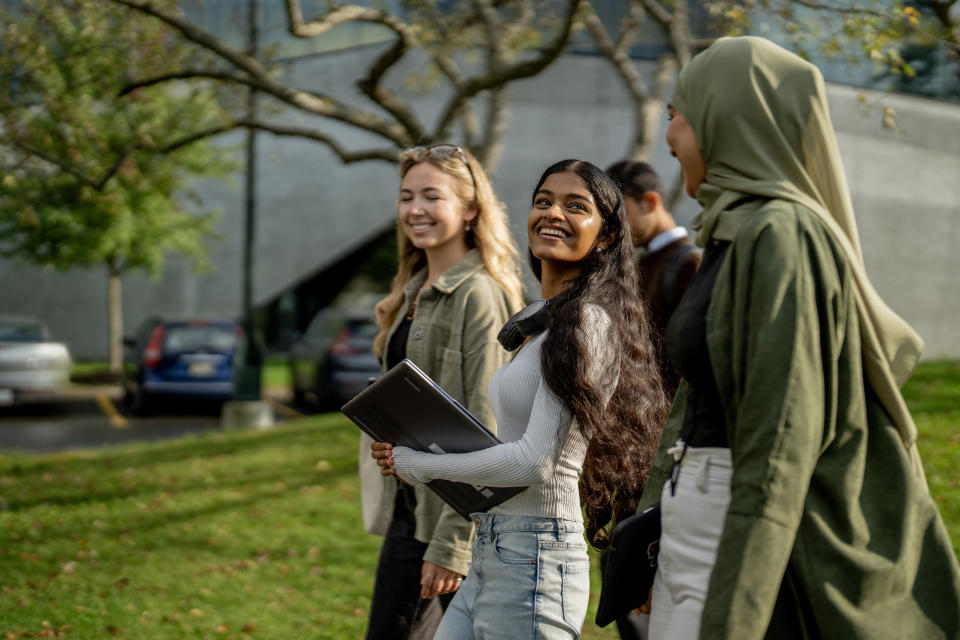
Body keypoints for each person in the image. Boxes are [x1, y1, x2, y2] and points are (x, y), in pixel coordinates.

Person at [636, 36, 960, 640]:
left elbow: (779, 443)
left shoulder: (781, 236)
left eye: (677, 114)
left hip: (735, 523)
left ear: (726, 115)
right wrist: (651, 524)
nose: (668, 135)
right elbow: (698, 397)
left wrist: (738, 616)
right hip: (698, 513)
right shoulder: (733, 231)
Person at [373, 159, 669, 639]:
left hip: (536, 558)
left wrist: (421, 465)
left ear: (608, 235)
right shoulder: (539, 320)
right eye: (543, 201)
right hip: (495, 544)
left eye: (576, 206)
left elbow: (537, 464)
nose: (553, 213)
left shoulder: (588, 323)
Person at [361, 144, 524, 640]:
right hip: (411, 510)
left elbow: (485, 423)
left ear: (470, 209)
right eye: (406, 196)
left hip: (448, 521)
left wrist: (451, 545)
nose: (415, 209)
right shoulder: (411, 290)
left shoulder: (479, 294)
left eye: (432, 196)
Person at [606, 161, 701, 399]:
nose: (615, 226)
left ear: (650, 202)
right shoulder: (638, 265)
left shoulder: (690, 264)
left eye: (621, 213)